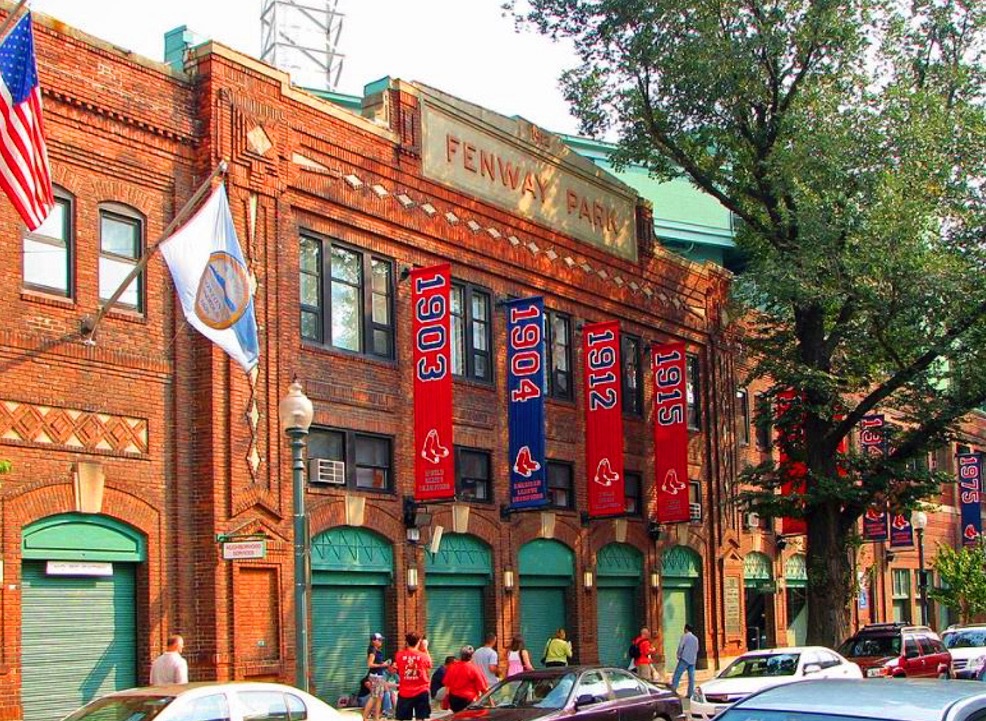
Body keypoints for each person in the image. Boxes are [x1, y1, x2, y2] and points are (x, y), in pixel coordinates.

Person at [393, 630, 433, 720]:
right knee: (420, 717)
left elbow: (397, 665)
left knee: (404, 718)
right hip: (421, 690)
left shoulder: (399, 655)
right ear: (419, 642)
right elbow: (430, 664)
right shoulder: (423, 656)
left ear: (406, 642)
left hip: (404, 692)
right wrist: (425, 648)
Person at [443, 646, 489, 712]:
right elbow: (484, 689)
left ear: (461, 655)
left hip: (454, 700)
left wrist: (447, 699)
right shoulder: (474, 668)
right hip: (468, 700)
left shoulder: (452, 667)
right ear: (472, 656)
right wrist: (492, 704)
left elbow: (447, 685)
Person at [363, 632, 393, 721]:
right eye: (379, 640)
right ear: (373, 641)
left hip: (379, 675)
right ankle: (365, 717)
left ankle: (376, 717)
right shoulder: (372, 650)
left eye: (381, 640)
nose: (381, 642)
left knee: (379, 697)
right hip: (375, 675)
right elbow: (370, 664)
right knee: (374, 697)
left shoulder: (376, 649)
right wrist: (382, 665)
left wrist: (384, 664)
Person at [671, 624, 699, 698]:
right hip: (693, 659)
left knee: (677, 675)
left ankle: (673, 691)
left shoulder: (685, 636)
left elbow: (681, 646)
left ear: (686, 629)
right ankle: (690, 693)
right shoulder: (695, 638)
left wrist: (678, 654)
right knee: (691, 678)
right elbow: (697, 649)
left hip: (684, 658)